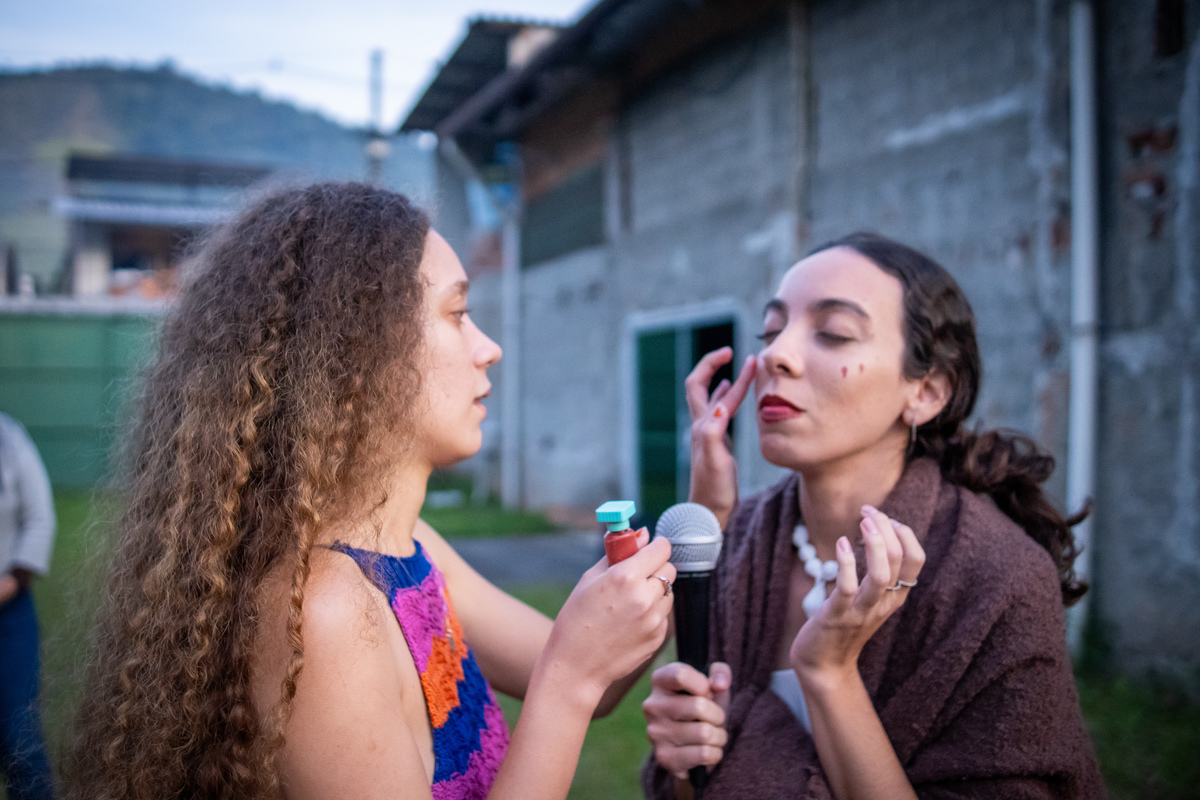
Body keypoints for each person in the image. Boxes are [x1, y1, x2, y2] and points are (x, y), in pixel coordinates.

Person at [66, 183, 675, 800]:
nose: (489, 349)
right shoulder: (324, 610)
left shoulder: (405, 546)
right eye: (456, 314)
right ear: (360, 353)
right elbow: (575, 675)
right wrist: (567, 683)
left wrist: (693, 531)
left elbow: (599, 673)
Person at [641, 233, 1103, 799]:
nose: (776, 356)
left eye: (834, 333)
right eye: (771, 331)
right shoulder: (733, 542)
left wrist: (829, 675)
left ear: (927, 391)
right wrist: (686, 765)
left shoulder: (1000, 580)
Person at [0, 410, 57, 800]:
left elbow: (40, 519)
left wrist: (10, 582)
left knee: (19, 737)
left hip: (10, 616)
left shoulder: (10, 439)